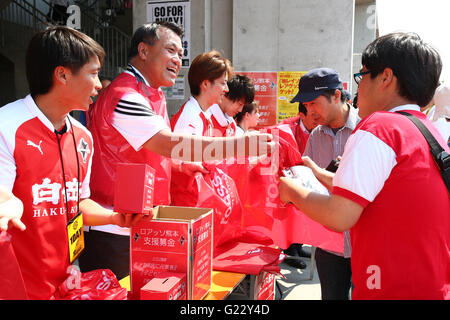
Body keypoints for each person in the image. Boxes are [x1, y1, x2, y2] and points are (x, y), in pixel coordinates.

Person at [81, 22, 274, 279]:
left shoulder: (151, 94)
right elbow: (168, 143)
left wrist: (180, 165)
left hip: (141, 222)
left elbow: (151, 153)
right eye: (171, 50)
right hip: (117, 228)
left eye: (180, 53)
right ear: (144, 50)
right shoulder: (125, 95)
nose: (177, 60)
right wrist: (241, 145)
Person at [279, 32, 449, 300]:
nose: (357, 89)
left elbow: (339, 216)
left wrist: (290, 191)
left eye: (362, 76)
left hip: (388, 288)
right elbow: (381, 191)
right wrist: (320, 175)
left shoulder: (379, 127)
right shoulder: (429, 131)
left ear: (385, 78)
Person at [0, 26, 143, 300]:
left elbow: (77, 202)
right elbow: (4, 200)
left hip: (65, 284)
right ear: (62, 74)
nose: (100, 84)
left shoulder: (82, 137)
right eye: (93, 73)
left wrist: (115, 218)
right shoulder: (7, 127)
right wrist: (8, 206)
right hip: (16, 287)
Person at [278, 102, 319, 270]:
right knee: (290, 213)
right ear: (302, 116)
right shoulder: (286, 128)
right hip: (289, 176)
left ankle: (298, 246)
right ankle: (288, 251)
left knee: (306, 212)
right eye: (313, 117)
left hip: (308, 176)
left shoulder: (320, 128)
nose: (318, 120)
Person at [171, 50, 232, 136]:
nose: (227, 89)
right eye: (223, 83)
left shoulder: (204, 114)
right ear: (205, 84)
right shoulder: (190, 117)